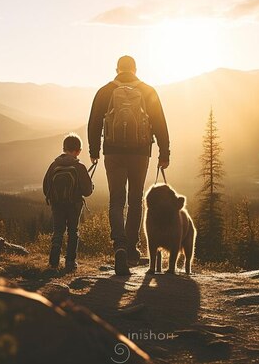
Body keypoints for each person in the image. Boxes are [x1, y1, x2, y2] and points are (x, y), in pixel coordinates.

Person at [88, 55, 170, 275]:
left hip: (113, 152)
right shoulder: (147, 91)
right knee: (135, 200)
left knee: (116, 200)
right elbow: (160, 122)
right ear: (135, 69)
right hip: (140, 153)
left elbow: (94, 121)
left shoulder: (105, 91)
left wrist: (94, 151)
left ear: (117, 69)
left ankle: (120, 246)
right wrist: (164, 153)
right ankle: (132, 248)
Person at [43, 133, 93, 272]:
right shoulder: (80, 167)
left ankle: (53, 263)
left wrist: (54, 198)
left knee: (58, 231)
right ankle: (70, 263)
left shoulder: (54, 165)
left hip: (57, 205)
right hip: (74, 205)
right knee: (73, 232)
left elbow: (45, 186)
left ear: (64, 148)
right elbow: (87, 191)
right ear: (78, 151)